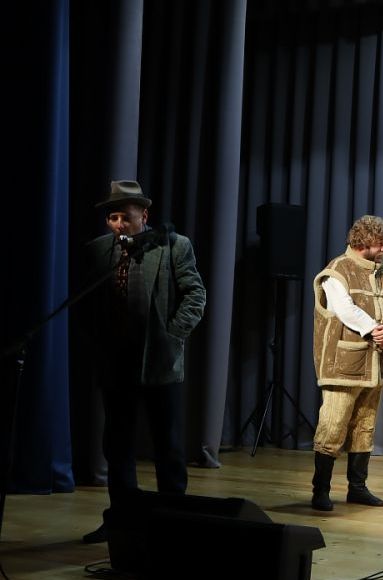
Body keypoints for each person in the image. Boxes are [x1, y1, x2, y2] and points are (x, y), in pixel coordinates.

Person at [81, 180, 206, 544]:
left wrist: (172, 335)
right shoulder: (98, 251)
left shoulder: (173, 245)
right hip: (116, 364)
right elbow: (89, 307)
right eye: (112, 218)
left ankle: (173, 522)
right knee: (117, 445)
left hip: (159, 363)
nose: (118, 224)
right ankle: (121, 520)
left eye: (126, 217)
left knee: (168, 446)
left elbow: (195, 294)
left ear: (144, 216)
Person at [310, 215, 383, 511]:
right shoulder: (337, 271)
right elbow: (345, 309)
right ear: (364, 241)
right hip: (344, 362)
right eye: (380, 244)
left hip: (375, 361)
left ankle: (358, 487)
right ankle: (321, 490)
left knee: (365, 424)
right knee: (333, 424)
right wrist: (376, 330)